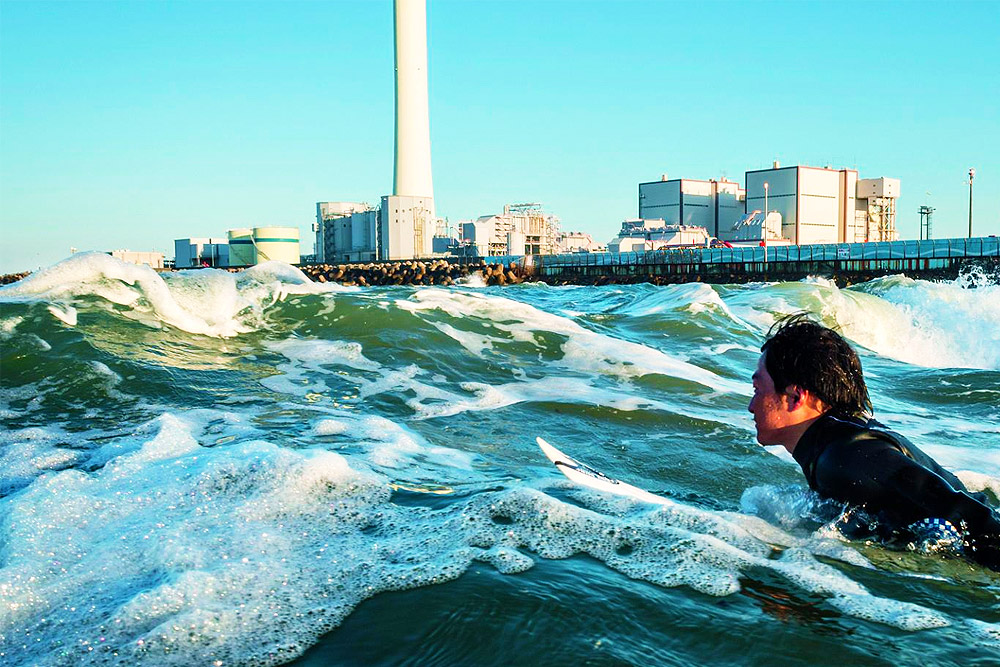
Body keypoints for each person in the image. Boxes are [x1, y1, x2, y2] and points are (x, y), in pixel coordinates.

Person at [748, 313, 999, 571]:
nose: (750, 406)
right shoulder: (839, 445)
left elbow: (964, 515)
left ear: (795, 396)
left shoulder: (845, 456)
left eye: (758, 390)